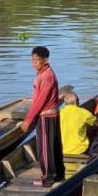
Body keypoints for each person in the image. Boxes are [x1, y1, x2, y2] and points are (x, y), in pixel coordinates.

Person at [20, 46, 65, 187]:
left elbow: (40, 101)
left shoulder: (47, 76)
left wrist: (28, 119)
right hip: (51, 114)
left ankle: (48, 177)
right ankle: (58, 173)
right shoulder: (44, 73)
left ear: (45, 60)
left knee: (45, 148)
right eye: (32, 60)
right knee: (52, 146)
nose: (34, 63)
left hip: (46, 116)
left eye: (37, 60)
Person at [59, 90, 98, 156]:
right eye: (79, 100)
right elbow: (97, 123)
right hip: (80, 150)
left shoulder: (59, 114)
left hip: (63, 150)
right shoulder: (83, 112)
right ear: (76, 101)